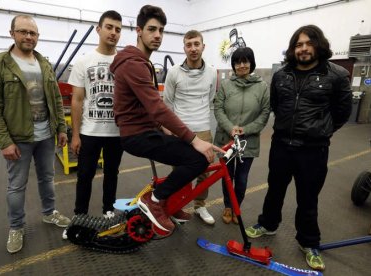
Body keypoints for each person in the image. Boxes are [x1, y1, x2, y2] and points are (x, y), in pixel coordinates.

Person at [245, 25, 352, 271]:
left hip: (313, 150)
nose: (303, 49)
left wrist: (322, 131)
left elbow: (342, 112)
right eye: (298, 45)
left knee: (308, 198)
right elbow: (275, 104)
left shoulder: (335, 75)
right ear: (293, 49)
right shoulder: (282, 75)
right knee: (275, 189)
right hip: (281, 145)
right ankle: (268, 224)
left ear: (318, 45)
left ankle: (309, 242)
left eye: (307, 43)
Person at [110, 5, 223, 235]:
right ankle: (155, 199)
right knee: (198, 160)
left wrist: (164, 128)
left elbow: (149, 108)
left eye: (161, 30)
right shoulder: (134, 64)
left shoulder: (141, 62)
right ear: (139, 31)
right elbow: (158, 107)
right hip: (137, 135)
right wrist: (193, 139)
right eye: (152, 29)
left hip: (146, 130)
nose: (158, 35)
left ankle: (166, 202)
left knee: (189, 158)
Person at [0, 15, 71, 254]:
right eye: (23, 32)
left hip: (45, 136)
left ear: (37, 37)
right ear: (12, 33)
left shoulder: (44, 64)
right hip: (18, 139)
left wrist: (61, 128)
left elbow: (55, 100)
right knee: (16, 185)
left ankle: (49, 213)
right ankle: (16, 226)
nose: (28, 37)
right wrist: (4, 141)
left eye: (33, 33)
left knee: (47, 178)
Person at [67, 10, 124, 221]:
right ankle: (79, 215)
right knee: (85, 175)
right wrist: (75, 134)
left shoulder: (124, 62)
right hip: (89, 131)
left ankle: (108, 209)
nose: (113, 33)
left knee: (112, 173)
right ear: (99, 29)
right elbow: (77, 100)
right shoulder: (84, 61)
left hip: (116, 131)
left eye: (118, 29)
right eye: (109, 27)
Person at [163, 30, 217, 225]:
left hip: (203, 128)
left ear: (203, 46)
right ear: (184, 48)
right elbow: (167, 102)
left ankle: (200, 205)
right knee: (179, 172)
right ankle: (176, 207)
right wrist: (169, 130)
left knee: (204, 171)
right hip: (180, 131)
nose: (193, 48)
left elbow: (210, 99)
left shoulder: (212, 71)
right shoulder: (174, 72)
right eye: (189, 45)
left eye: (196, 44)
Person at [214, 47, 270, 225]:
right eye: (238, 62)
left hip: (248, 141)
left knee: (242, 178)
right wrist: (231, 128)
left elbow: (265, 113)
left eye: (245, 61)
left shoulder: (262, 87)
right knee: (227, 176)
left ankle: (237, 206)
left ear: (251, 63)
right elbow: (218, 108)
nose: (241, 65)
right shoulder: (225, 85)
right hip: (227, 139)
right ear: (234, 65)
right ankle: (228, 207)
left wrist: (246, 129)